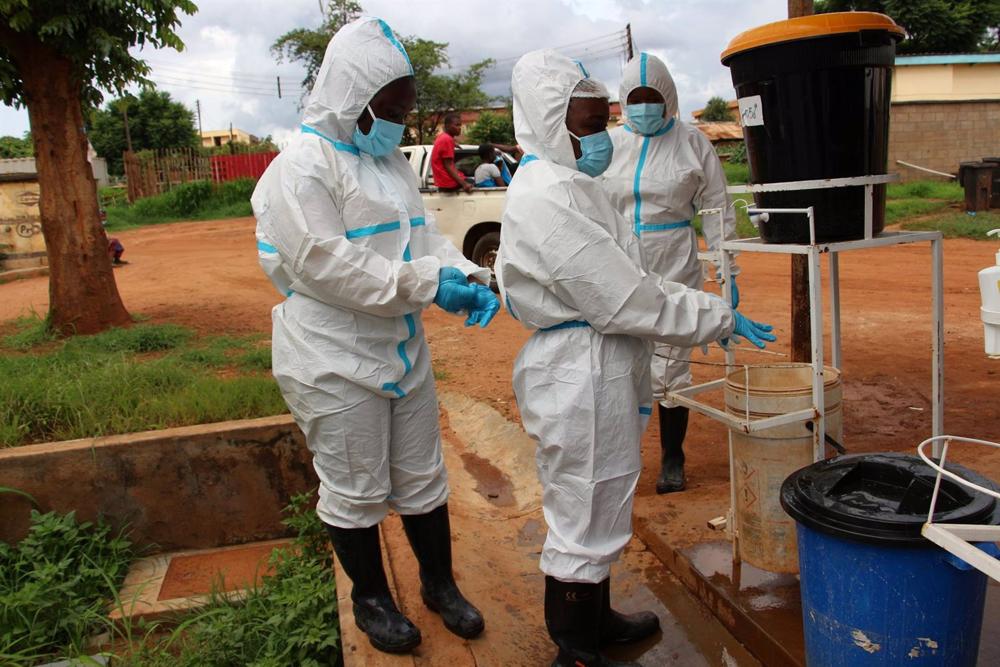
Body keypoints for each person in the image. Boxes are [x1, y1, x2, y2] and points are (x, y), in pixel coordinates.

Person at [496, 49, 774, 667]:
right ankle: (573, 644)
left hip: (594, 357)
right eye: (590, 127)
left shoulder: (574, 183)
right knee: (582, 504)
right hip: (578, 365)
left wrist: (702, 304)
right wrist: (715, 316)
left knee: (603, 493)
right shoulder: (548, 196)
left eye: (603, 123)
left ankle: (594, 619)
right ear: (549, 122)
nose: (602, 139)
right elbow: (624, 297)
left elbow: (630, 277)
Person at [251, 17, 499, 655]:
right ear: (351, 99)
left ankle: (439, 585)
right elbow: (326, 266)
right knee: (355, 484)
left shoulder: (386, 164)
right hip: (332, 355)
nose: (396, 121)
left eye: (404, 109)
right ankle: (370, 598)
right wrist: (426, 285)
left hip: (401, 346)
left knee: (422, 474)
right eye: (387, 108)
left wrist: (467, 272)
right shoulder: (299, 169)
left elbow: (426, 238)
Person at [600, 52, 741, 495]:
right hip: (621, 261)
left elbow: (716, 209)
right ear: (623, 102)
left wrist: (727, 272)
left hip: (674, 256)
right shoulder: (608, 144)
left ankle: (673, 456)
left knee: (671, 361)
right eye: (635, 99)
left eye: (652, 98)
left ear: (668, 98)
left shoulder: (692, 142)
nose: (644, 107)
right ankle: (621, 458)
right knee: (618, 360)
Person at [431, 112, 473, 193]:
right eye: (457, 125)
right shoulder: (447, 140)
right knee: (474, 182)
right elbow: (448, 166)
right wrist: (464, 184)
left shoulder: (443, 137)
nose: (459, 128)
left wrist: (453, 143)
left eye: (460, 125)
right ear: (447, 126)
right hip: (448, 182)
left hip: (442, 181)